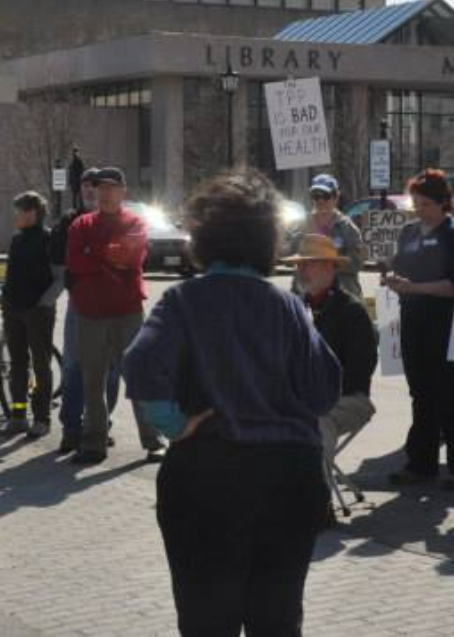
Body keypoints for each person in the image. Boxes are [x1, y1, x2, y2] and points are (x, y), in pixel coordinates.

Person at [123, 169, 342, 637]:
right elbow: (324, 390)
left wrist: (172, 423)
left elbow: (141, 363)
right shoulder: (289, 307)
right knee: (277, 619)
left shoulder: (182, 301)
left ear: (203, 237)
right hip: (289, 475)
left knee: (207, 620)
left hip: (208, 473)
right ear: (267, 241)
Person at [382, 169, 454, 488]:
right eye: (416, 203)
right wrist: (392, 278)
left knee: (450, 394)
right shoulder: (409, 232)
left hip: (445, 325)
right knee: (420, 394)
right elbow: (398, 266)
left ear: (442, 203)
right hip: (413, 322)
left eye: (425, 204)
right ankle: (421, 464)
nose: (419, 210)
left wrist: (415, 288)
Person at [65, 166, 165, 464]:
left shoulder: (135, 222)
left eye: (111, 188)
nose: (105, 193)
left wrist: (93, 253)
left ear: (123, 191)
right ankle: (94, 443)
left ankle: (153, 440)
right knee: (92, 381)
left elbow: (129, 257)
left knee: (137, 376)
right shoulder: (80, 224)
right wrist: (107, 256)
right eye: (100, 188)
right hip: (90, 314)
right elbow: (75, 263)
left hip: (127, 312)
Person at [290, 233, 378, 504]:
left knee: (318, 420)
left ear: (330, 267)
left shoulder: (351, 311)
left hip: (349, 398)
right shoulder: (295, 308)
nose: (301, 270)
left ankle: (319, 503)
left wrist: (314, 394)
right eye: (299, 264)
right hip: (301, 398)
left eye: (309, 263)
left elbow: (360, 370)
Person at [51, 170, 120, 455]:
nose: (91, 190)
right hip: (80, 304)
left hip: (114, 305)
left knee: (111, 369)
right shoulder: (69, 220)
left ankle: (101, 426)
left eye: (96, 185)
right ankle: (72, 429)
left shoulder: (120, 220)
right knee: (74, 366)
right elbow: (60, 256)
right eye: (86, 185)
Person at [1, 190, 56, 437]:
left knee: (41, 364)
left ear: (32, 212)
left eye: (19, 212)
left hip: (38, 311)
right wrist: (3, 294)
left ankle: (42, 419)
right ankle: (18, 416)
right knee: (18, 365)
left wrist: (44, 303)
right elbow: (12, 273)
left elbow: (58, 275)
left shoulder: (48, 238)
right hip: (13, 309)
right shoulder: (17, 239)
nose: (16, 216)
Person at [289, 173, 365, 298]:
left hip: (342, 295)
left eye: (325, 196)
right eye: (315, 196)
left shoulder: (347, 228)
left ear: (336, 197)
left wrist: (327, 263)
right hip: (306, 295)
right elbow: (290, 256)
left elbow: (357, 263)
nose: (320, 201)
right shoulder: (301, 225)